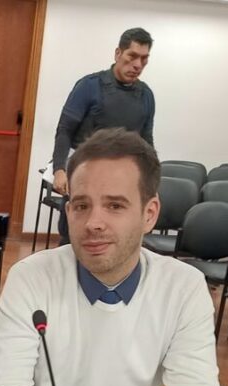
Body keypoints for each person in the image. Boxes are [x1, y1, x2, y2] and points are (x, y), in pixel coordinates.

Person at [0, 128, 222, 386]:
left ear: (149, 214)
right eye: (81, 205)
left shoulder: (184, 287)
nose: (93, 222)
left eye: (115, 206)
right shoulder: (32, 277)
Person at [51, 28, 155, 243]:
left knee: (114, 238)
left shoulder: (146, 95)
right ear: (118, 53)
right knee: (74, 236)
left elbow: (147, 143)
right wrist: (59, 170)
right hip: (84, 177)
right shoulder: (89, 86)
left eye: (144, 59)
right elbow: (65, 130)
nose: (138, 64)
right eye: (132, 56)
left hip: (121, 182)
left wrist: (151, 182)